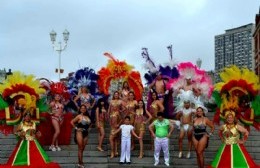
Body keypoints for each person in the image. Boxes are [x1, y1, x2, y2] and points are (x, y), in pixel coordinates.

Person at [108, 91, 125, 158]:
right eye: (115, 94)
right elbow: (109, 110)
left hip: (117, 120)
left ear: (118, 95)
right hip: (112, 120)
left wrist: (120, 111)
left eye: (117, 94)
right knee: (114, 138)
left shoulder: (120, 101)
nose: (116, 95)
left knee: (114, 138)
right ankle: (115, 152)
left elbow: (124, 108)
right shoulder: (111, 101)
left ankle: (114, 152)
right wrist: (108, 116)